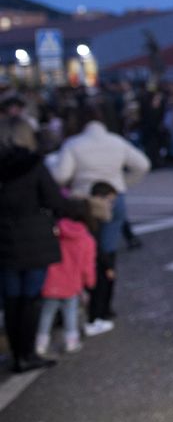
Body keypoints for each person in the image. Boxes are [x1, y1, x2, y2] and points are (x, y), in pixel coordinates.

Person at [48, 106, 151, 334]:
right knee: (108, 253)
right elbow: (143, 164)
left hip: (84, 203)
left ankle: (84, 306)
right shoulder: (116, 141)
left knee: (85, 254)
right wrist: (123, 184)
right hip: (115, 198)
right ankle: (105, 307)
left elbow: (60, 175)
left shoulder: (73, 144)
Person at [0, 115, 87, 372]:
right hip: (35, 241)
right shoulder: (33, 166)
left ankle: (17, 354)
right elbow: (55, 202)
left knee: (11, 301)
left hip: (4, 242)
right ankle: (28, 353)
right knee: (31, 300)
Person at [36, 188, 103, 356]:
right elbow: (88, 266)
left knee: (46, 313)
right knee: (70, 313)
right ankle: (71, 341)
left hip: (50, 281)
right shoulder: (87, 239)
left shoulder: (55, 232)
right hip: (72, 284)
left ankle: (40, 343)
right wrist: (90, 282)